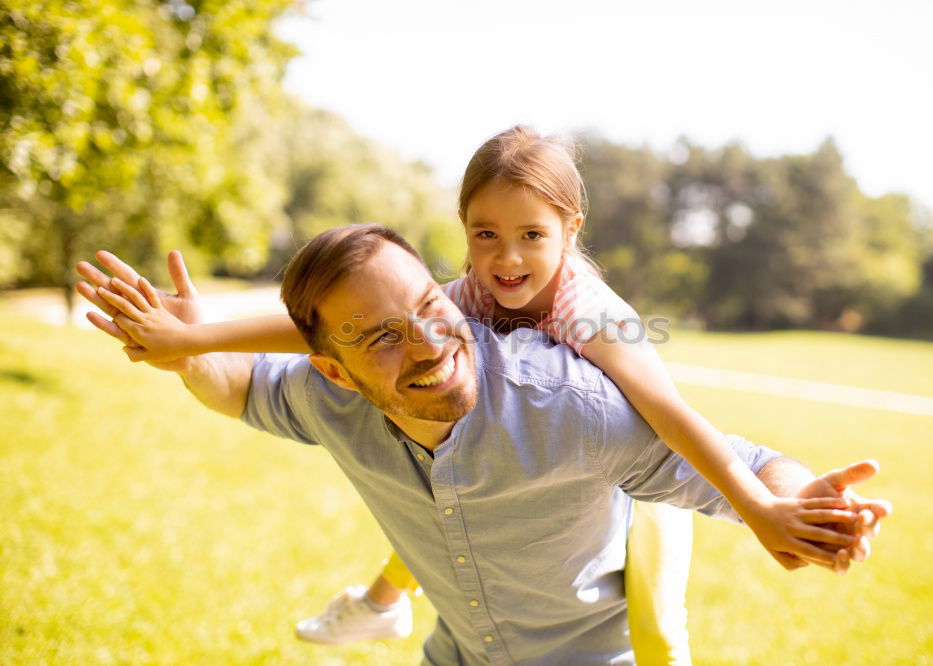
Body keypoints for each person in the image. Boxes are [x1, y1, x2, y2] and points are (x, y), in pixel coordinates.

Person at [77, 126, 884, 665]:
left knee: (636, 597)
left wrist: (773, 507)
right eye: (485, 234)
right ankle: (384, 601)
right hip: (465, 620)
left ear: (571, 229)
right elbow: (329, 331)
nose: (506, 258)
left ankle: (384, 598)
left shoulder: (591, 333)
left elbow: (682, 422)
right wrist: (196, 339)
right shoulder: (449, 302)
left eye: (533, 236)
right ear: (462, 231)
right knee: (449, 458)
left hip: (623, 538)